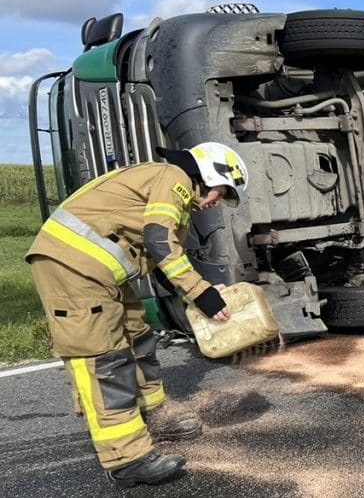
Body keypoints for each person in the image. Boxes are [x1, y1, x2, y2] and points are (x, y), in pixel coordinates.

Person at [25, 142, 248, 487]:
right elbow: (159, 239)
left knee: (138, 336)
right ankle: (127, 458)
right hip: (72, 266)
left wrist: (195, 292)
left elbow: (160, 258)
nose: (220, 200)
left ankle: (154, 414)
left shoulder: (174, 191)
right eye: (224, 190)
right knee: (103, 359)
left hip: (96, 270)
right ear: (209, 174)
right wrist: (200, 293)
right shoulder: (173, 178)